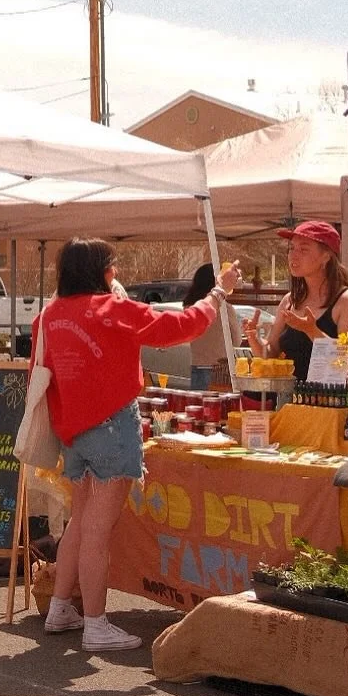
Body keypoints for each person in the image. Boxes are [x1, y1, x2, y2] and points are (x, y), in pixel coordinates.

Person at [34, 237, 240, 652]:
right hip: (112, 426)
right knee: (98, 528)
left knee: (79, 520)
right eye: (112, 266)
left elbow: (41, 375)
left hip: (72, 429)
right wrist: (219, 292)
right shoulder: (111, 308)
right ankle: (96, 624)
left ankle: (60, 607)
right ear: (103, 272)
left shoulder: (49, 315)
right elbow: (181, 326)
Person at [245, 220, 348, 381]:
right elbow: (270, 355)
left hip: (327, 397)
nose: (293, 255)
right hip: (287, 397)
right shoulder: (289, 301)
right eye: (291, 248)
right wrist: (253, 338)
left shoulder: (347, 301)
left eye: (303, 249)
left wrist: (312, 331)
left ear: (326, 256)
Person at [184, 263, 242, 388]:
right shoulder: (225, 309)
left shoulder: (190, 308)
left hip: (197, 365)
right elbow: (237, 340)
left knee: (198, 400)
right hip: (220, 369)